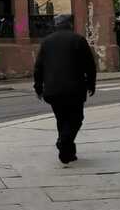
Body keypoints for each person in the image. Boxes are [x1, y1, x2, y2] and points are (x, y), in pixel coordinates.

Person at [33, 14, 97, 165]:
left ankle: (68, 151)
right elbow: (90, 65)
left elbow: (38, 67)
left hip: (52, 89)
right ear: (70, 25)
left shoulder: (46, 42)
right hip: (74, 89)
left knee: (61, 119)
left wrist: (38, 87)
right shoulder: (78, 40)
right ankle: (64, 141)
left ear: (56, 26)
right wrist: (91, 84)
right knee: (76, 118)